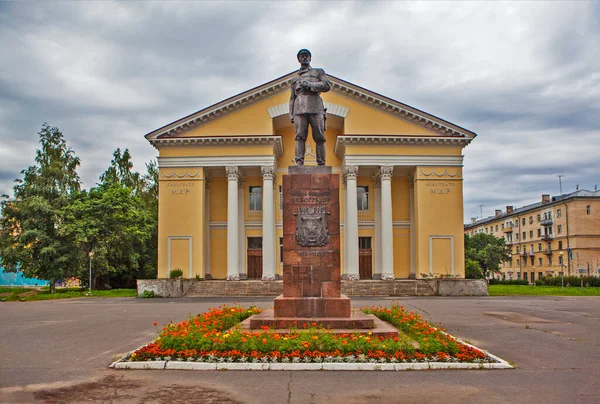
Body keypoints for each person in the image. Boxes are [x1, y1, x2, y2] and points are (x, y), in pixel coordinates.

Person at [289, 49, 331, 165]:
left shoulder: (318, 72)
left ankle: (321, 163)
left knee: (319, 136)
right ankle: (299, 162)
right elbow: (292, 98)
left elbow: (327, 85)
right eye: (302, 56)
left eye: (306, 56)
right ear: (299, 59)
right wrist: (291, 114)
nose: (304, 58)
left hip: (315, 105)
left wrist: (311, 85)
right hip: (299, 107)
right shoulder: (294, 78)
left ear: (310, 58)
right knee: (299, 136)